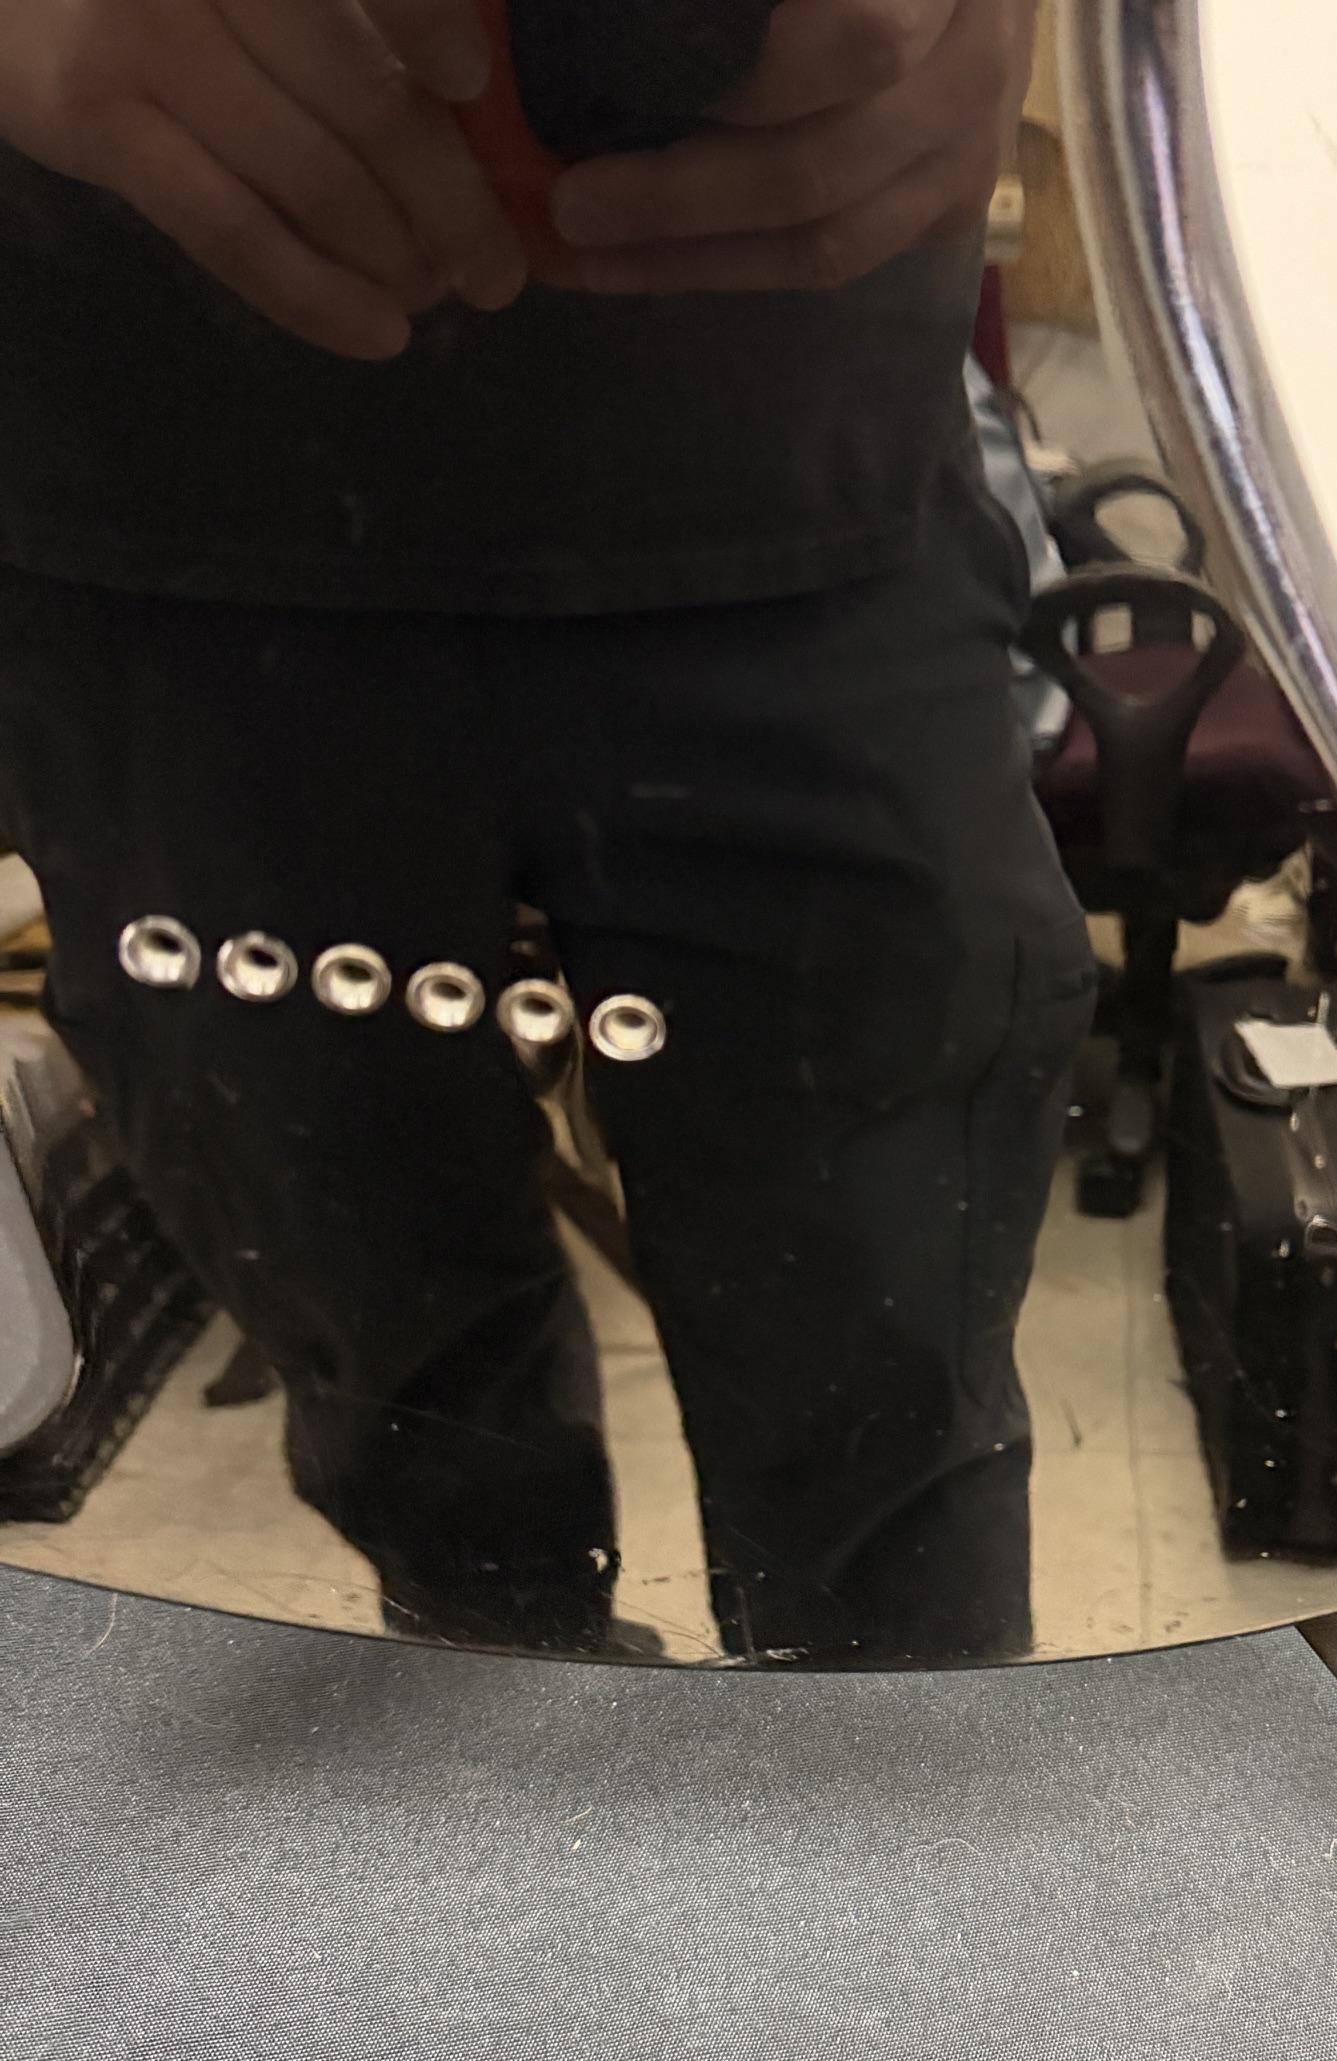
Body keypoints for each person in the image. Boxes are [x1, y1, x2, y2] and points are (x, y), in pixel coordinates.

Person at [0, 0, 1094, 1663]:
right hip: (153, 488)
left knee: (889, 1436)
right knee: (402, 1403)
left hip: (790, 448)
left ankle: (866, 1772)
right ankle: (506, 1728)